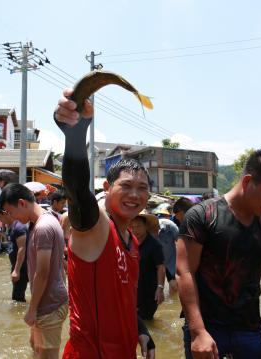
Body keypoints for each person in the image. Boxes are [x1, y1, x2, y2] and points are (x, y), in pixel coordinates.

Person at [53, 88, 155, 359]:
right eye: (126, 186)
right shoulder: (96, 226)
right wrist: (75, 135)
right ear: (107, 187)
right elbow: (76, 190)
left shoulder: (132, 239)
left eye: (142, 188)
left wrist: (141, 330)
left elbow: (123, 300)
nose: (135, 195)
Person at [177, 148, 261, 359]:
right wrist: (197, 331)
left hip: (249, 328)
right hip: (208, 327)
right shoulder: (202, 215)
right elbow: (185, 272)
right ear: (248, 181)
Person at [0, 184, 68, 358]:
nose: (11, 218)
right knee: (34, 347)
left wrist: (32, 309)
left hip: (49, 305)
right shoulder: (47, 219)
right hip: (51, 300)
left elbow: (42, 272)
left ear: (22, 203)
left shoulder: (42, 227)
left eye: (10, 212)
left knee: (46, 355)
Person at [130, 212, 165, 320]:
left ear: (146, 226)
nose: (136, 230)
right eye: (133, 227)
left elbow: (161, 267)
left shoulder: (155, 245)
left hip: (149, 291)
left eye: (139, 226)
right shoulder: (129, 242)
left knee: (146, 320)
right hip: (132, 289)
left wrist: (160, 288)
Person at [0, 207, 30, 302]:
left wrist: (16, 270)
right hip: (16, 266)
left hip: (22, 267)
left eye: (0, 217)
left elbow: (22, 249)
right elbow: (12, 244)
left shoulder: (19, 227)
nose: (0, 220)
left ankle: (21, 315)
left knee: (17, 299)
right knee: (17, 297)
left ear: (6, 214)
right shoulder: (10, 227)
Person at [155, 208, 180, 292]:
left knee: (157, 284)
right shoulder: (170, 223)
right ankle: (173, 300)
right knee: (173, 283)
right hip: (170, 259)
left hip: (157, 259)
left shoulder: (152, 223)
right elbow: (179, 240)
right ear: (167, 216)